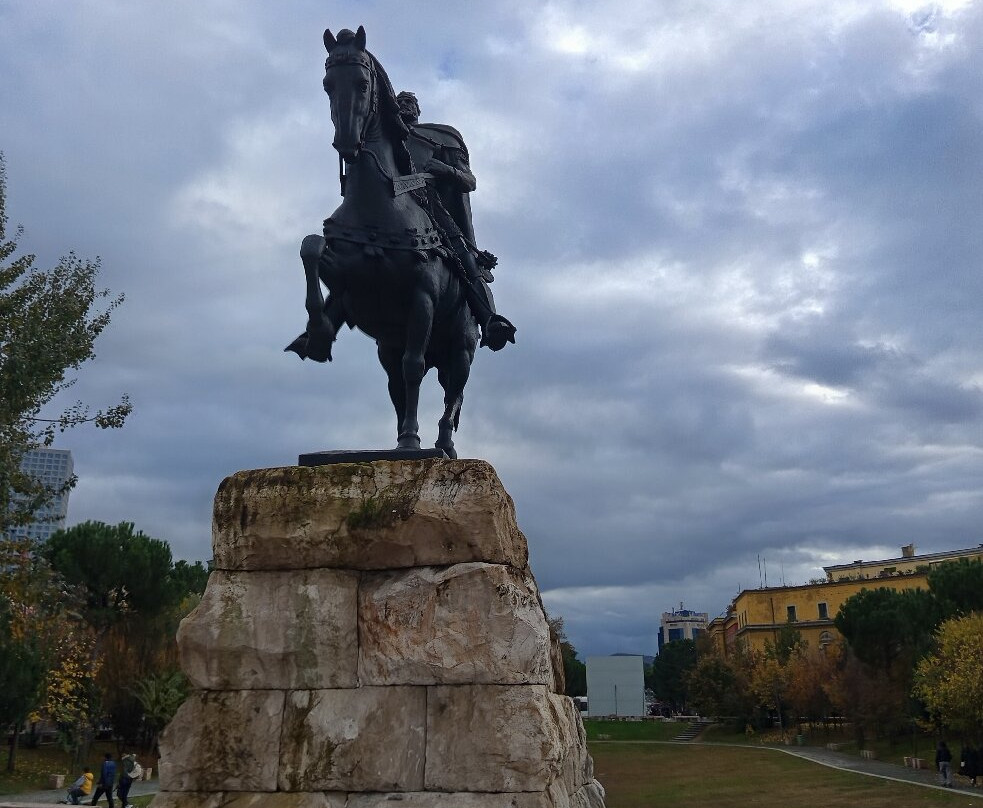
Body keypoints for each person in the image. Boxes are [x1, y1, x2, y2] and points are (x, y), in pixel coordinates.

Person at [396, 90, 516, 352]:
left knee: (462, 254)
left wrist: (444, 169)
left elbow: (469, 181)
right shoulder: (382, 138)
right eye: (400, 102)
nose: (404, 106)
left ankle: (489, 319)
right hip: (390, 209)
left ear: (418, 110)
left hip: (431, 210)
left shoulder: (440, 138)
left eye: (410, 102)